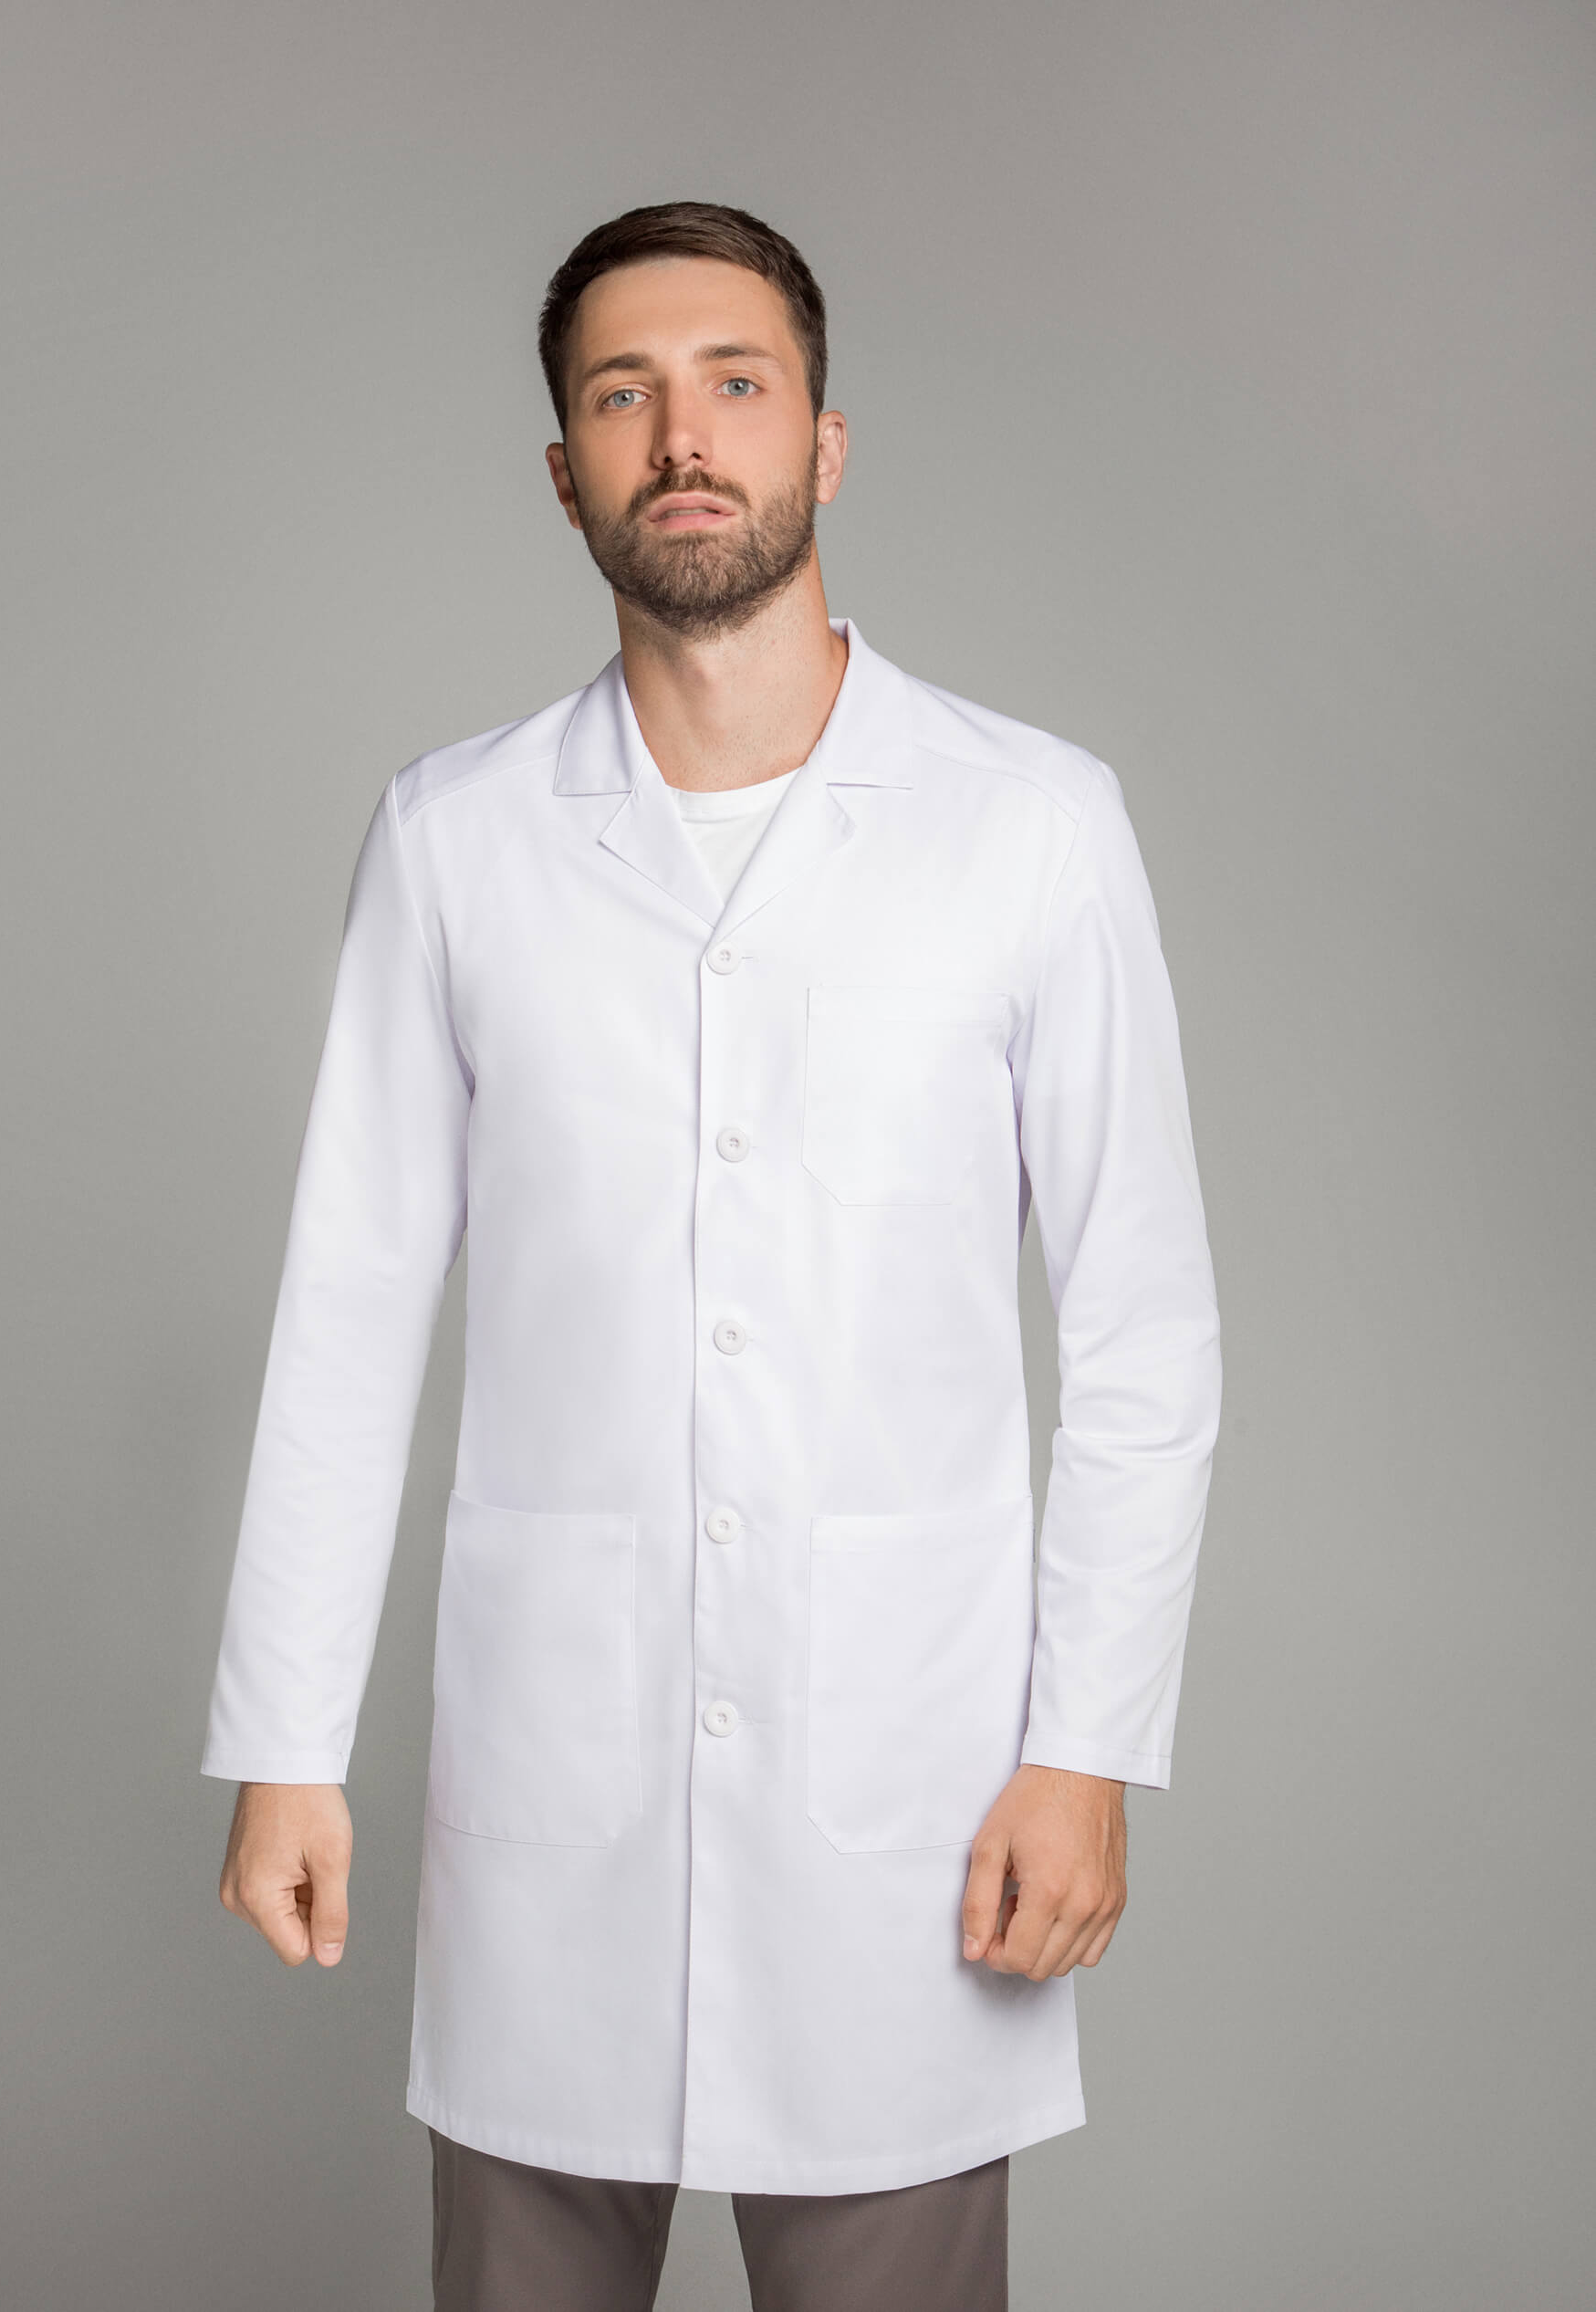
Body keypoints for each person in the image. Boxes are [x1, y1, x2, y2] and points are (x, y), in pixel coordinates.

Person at [201, 199, 1223, 2312]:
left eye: (732, 384)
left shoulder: (1029, 825)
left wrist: (1086, 1747)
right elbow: (349, 1311)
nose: (681, 436)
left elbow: (1140, 1331)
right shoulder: (455, 838)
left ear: (822, 442)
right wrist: (285, 1737)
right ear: (562, 469)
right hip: (552, 1791)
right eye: (622, 394)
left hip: (914, 1796)